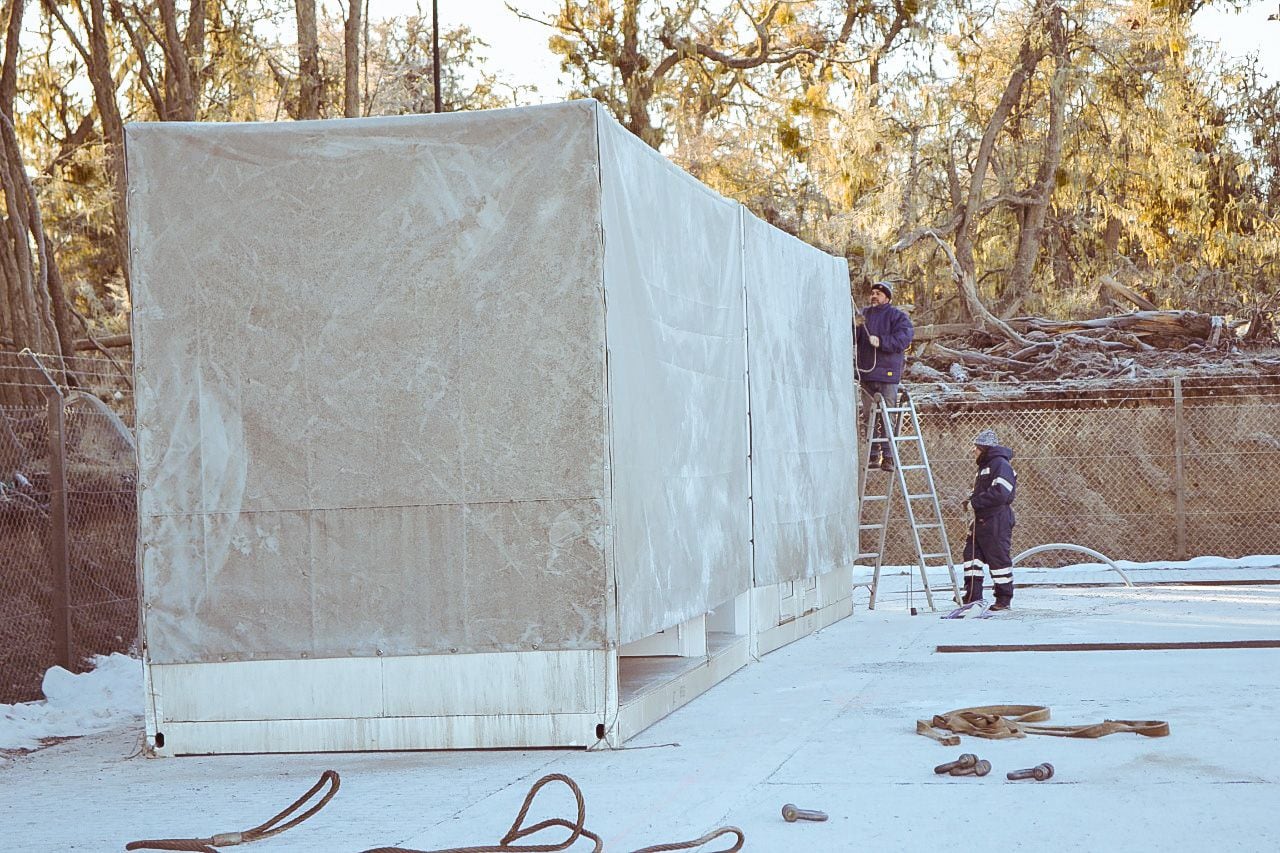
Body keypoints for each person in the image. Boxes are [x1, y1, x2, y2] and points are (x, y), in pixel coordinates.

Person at [854, 280, 914, 471]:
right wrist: (854, 326)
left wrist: (881, 341)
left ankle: (888, 457)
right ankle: (873, 455)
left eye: (878, 294)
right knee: (868, 416)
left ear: (887, 298)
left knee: (888, 417)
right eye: (872, 293)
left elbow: (904, 339)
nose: (874, 296)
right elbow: (849, 337)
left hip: (887, 375)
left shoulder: (898, 317)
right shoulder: (863, 315)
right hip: (866, 374)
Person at [961, 428, 1018, 610]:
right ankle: (972, 596)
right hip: (981, 521)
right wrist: (971, 500)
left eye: (976, 448)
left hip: (996, 520)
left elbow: (1001, 493)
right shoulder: (984, 467)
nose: (974, 451)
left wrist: (975, 503)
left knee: (998, 560)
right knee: (971, 557)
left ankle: (1003, 599)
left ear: (984, 448)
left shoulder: (1001, 465)